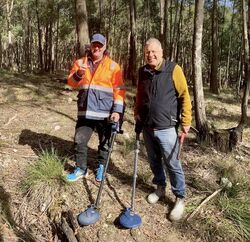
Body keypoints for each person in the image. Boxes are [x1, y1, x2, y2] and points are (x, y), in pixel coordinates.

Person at [134, 38, 192, 221]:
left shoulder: (173, 69)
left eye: (153, 52)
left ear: (161, 52)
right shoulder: (142, 72)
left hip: (167, 128)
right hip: (147, 126)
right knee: (153, 161)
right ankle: (160, 187)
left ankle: (180, 197)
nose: (150, 55)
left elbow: (184, 96)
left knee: (173, 164)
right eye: (147, 53)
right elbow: (139, 95)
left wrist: (186, 122)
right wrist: (136, 112)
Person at [66, 33, 125, 182]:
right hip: (85, 111)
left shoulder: (113, 66)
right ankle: (81, 169)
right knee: (79, 140)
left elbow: (119, 90)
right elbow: (71, 83)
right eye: (94, 44)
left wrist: (117, 111)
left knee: (105, 143)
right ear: (90, 45)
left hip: (105, 113)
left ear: (105, 47)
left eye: (100, 45)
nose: (97, 47)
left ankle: (101, 166)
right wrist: (79, 74)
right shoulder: (80, 62)